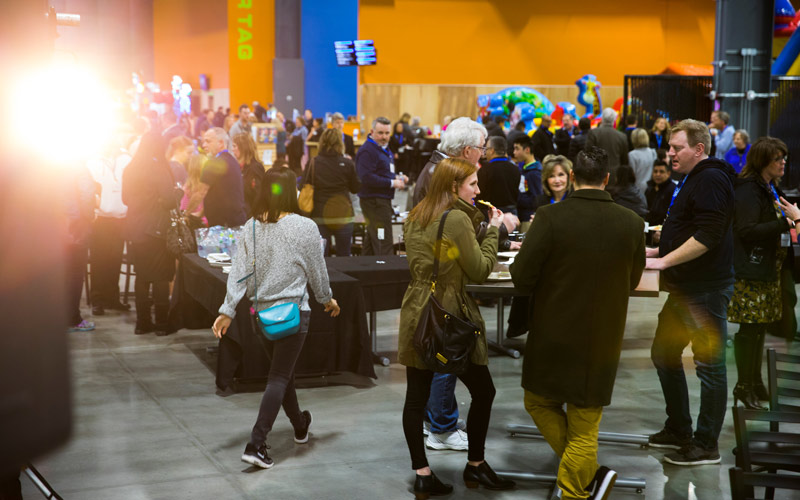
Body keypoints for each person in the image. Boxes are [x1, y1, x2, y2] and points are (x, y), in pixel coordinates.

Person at [511, 146, 645, 500]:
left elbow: (521, 277)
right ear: (607, 180)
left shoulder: (550, 218)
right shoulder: (632, 223)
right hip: (602, 338)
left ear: (571, 177)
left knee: (538, 402)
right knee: (585, 424)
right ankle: (588, 476)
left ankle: (579, 488)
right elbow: (633, 280)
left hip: (552, 332)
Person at [399, 157, 515, 498]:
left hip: (416, 311)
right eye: (473, 184)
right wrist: (493, 230)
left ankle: (422, 474)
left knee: (415, 400)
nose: (479, 190)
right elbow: (479, 269)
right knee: (484, 391)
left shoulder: (416, 214)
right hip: (450, 314)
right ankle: (476, 466)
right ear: (453, 187)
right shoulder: (457, 219)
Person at [213, 166, 340, 470]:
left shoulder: (251, 227)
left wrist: (227, 310)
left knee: (283, 376)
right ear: (291, 190)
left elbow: (239, 272)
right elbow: (317, 271)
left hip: (262, 317)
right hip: (294, 315)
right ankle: (256, 444)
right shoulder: (305, 226)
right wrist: (327, 299)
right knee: (279, 377)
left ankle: (299, 425)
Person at [645, 119, 737, 466]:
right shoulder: (694, 179)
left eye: (676, 148)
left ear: (698, 149)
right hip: (687, 289)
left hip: (705, 290)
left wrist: (665, 260)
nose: (670, 154)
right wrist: (656, 253)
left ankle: (705, 445)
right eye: (669, 148)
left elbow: (709, 234)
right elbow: (691, 228)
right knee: (664, 354)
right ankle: (679, 428)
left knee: (709, 368)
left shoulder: (711, 178)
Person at [728, 137, 799, 409]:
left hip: (767, 269)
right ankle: (744, 385)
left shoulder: (768, 186)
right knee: (749, 330)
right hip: (751, 272)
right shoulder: (748, 188)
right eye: (777, 158)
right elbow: (745, 230)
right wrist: (786, 222)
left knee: (759, 330)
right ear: (763, 161)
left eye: (784, 158)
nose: (783, 163)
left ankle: (754, 382)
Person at [122, 133, 180, 336]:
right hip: (155, 230)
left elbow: (125, 199)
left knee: (142, 276)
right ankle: (162, 324)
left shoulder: (130, 168)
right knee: (161, 276)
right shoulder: (159, 168)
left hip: (134, 229)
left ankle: (142, 323)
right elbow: (169, 200)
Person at [87, 140, 131, 316]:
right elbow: (90, 189)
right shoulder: (92, 162)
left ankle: (113, 297)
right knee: (99, 259)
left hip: (121, 217)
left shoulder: (125, 159)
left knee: (115, 258)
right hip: (101, 218)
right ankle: (98, 299)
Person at [302, 128, 360, 257]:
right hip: (343, 216)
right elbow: (356, 188)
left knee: (322, 257)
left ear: (321, 142)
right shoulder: (348, 163)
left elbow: (302, 185)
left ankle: (325, 278)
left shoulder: (313, 163)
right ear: (341, 143)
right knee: (344, 255)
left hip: (320, 215)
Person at [355, 116, 407, 255]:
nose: (384, 137)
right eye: (380, 133)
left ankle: (364, 270)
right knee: (383, 241)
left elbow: (382, 172)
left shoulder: (383, 148)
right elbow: (366, 177)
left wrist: (397, 177)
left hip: (381, 200)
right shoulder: (367, 151)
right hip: (374, 202)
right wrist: (392, 183)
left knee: (373, 240)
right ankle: (385, 272)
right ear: (372, 131)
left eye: (387, 133)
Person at [413, 117, 486, 207]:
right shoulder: (441, 174)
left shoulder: (443, 168)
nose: (482, 154)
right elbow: (448, 218)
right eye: (481, 148)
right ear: (467, 151)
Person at [190, 128, 247, 227]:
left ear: (220, 143)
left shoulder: (214, 163)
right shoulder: (231, 160)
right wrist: (200, 213)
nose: (204, 145)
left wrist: (185, 214)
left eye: (208, 141)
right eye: (203, 142)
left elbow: (200, 193)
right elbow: (217, 193)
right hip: (234, 221)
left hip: (224, 225)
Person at [477, 136, 520, 214]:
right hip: (512, 213)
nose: (485, 153)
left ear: (492, 150)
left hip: (491, 213)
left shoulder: (485, 170)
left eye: (486, 149)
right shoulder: (515, 169)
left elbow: (479, 194)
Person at [231, 132, 265, 216]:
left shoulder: (255, 167)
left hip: (251, 216)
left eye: (234, 146)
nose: (232, 149)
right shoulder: (240, 167)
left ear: (243, 148)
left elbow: (258, 195)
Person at [513, 135, 543, 225]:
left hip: (529, 218)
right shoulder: (523, 168)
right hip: (521, 216)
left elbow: (537, 198)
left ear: (527, 150)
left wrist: (518, 199)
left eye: (517, 149)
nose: (514, 152)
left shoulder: (535, 173)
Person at [586, 108, 628, 172]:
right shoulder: (622, 136)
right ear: (614, 119)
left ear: (602, 118)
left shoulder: (593, 133)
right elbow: (624, 159)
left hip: (597, 173)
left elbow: (588, 153)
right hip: (615, 173)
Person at [645, 159, 676, 227]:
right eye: (655, 171)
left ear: (668, 173)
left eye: (661, 172)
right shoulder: (650, 189)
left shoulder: (673, 190)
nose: (657, 174)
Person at [628, 128, 657, 194]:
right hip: (651, 187)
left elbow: (632, 174)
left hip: (637, 188)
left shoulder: (632, 155)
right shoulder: (653, 152)